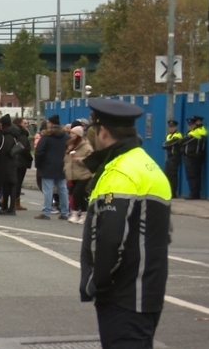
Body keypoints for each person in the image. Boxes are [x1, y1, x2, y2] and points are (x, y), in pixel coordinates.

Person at [79, 98, 172, 348]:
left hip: (123, 295)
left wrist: (94, 282)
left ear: (103, 131)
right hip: (148, 289)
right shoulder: (147, 165)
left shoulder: (119, 172)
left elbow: (109, 239)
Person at [34, 115, 70, 220]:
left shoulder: (46, 137)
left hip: (47, 165)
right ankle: (65, 212)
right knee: (62, 189)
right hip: (61, 164)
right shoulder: (65, 136)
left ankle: (46, 212)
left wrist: (39, 164)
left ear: (51, 123)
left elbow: (39, 152)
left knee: (48, 190)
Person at [64, 125, 93, 224]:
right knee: (73, 194)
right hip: (72, 173)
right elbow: (67, 159)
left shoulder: (86, 146)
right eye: (70, 133)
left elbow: (90, 159)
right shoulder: (70, 145)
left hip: (83, 174)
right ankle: (75, 213)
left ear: (78, 135)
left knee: (79, 193)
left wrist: (78, 159)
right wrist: (65, 168)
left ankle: (84, 213)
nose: (71, 135)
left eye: (73, 133)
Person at [181, 115, 207, 200]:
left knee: (192, 176)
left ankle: (194, 194)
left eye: (191, 124)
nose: (189, 126)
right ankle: (194, 193)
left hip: (192, 157)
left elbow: (182, 142)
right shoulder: (200, 131)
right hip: (194, 157)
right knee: (194, 176)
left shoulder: (195, 133)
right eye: (189, 125)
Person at [12, 117, 33, 211]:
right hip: (21, 161)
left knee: (12, 182)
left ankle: (5, 199)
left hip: (13, 160)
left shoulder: (13, 134)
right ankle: (16, 202)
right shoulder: (23, 135)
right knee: (18, 182)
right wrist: (30, 158)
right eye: (25, 123)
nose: (26, 125)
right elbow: (25, 149)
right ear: (19, 124)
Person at [162, 120, 183, 198]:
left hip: (175, 157)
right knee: (167, 174)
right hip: (169, 157)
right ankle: (169, 191)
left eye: (173, 127)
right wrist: (167, 144)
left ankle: (173, 192)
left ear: (176, 127)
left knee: (172, 175)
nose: (171, 128)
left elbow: (168, 144)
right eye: (170, 127)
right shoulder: (168, 136)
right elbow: (164, 145)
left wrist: (167, 144)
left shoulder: (178, 135)